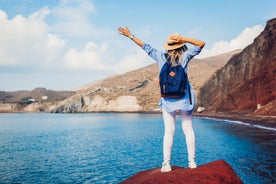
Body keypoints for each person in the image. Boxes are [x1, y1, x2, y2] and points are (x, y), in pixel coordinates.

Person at [118, 26, 205, 172]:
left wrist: (130, 36)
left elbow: (145, 47)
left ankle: (166, 164)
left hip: (168, 99)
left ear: (168, 46)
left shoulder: (159, 56)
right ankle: (192, 162)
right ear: (181, 45)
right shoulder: (185, 56)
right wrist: (184, 38)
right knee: (188, 130)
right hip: (184, 97)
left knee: (169, 131)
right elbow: (201, 43)